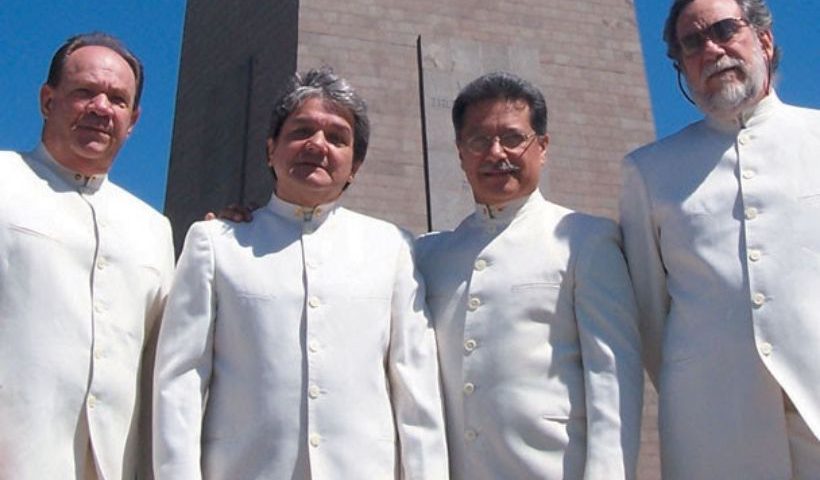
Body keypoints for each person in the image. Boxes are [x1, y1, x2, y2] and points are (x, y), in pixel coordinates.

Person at [152, 67, 448, 479]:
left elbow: (416, 391)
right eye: (302, 131)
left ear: (355, 164)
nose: (318, 145)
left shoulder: (392, 248)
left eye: (337, 138)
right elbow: (180, 381)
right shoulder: (215, 243)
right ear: (271, 148)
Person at [619, 0, 820, 478]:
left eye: (725, 30)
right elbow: (649, 315)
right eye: (692, 43)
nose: (712, 49)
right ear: (682, 66)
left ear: (765, 41)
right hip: (715, 428)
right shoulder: (649, 172)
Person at [416, 72, 643, 479]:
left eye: (513, 138)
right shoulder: (430, 255)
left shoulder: (585, 240)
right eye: (479, 140)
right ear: (460, 153)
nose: (496, 152)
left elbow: (612, 380)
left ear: (542, 146)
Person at [0, 33, 174, 479]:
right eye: (85, 92)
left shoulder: (154, 229)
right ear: (47, 99)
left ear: (132, 120)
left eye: (117, 99)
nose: (101, 108)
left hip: (114, 463)